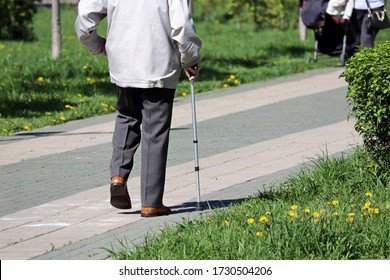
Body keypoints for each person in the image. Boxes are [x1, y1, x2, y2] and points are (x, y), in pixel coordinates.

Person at [75, 0, 202, 217]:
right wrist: (190, 58)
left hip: (122, 62)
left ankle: (118, 177)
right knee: (155, 132)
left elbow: (85, 18)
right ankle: (151, 203)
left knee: (126, 117)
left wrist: (97, 44)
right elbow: (182, 27)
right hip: (158, 64)